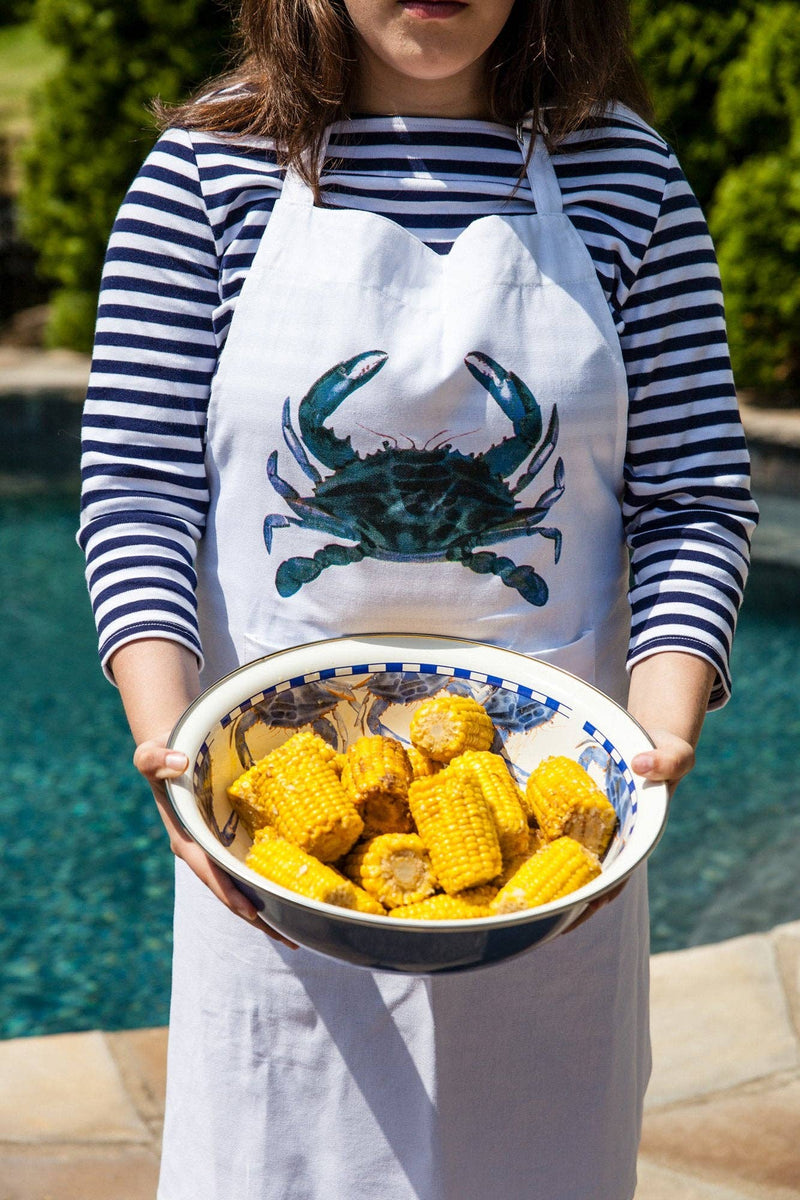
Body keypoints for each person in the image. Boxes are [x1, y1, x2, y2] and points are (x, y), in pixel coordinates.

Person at [78, 1, 758, 1196]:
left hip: (554, 856)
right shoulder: (206, 175)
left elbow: (692, 494)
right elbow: (137, 487)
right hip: (270, 853)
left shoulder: (626, 176)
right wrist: (168, 740)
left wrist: (656, 730)